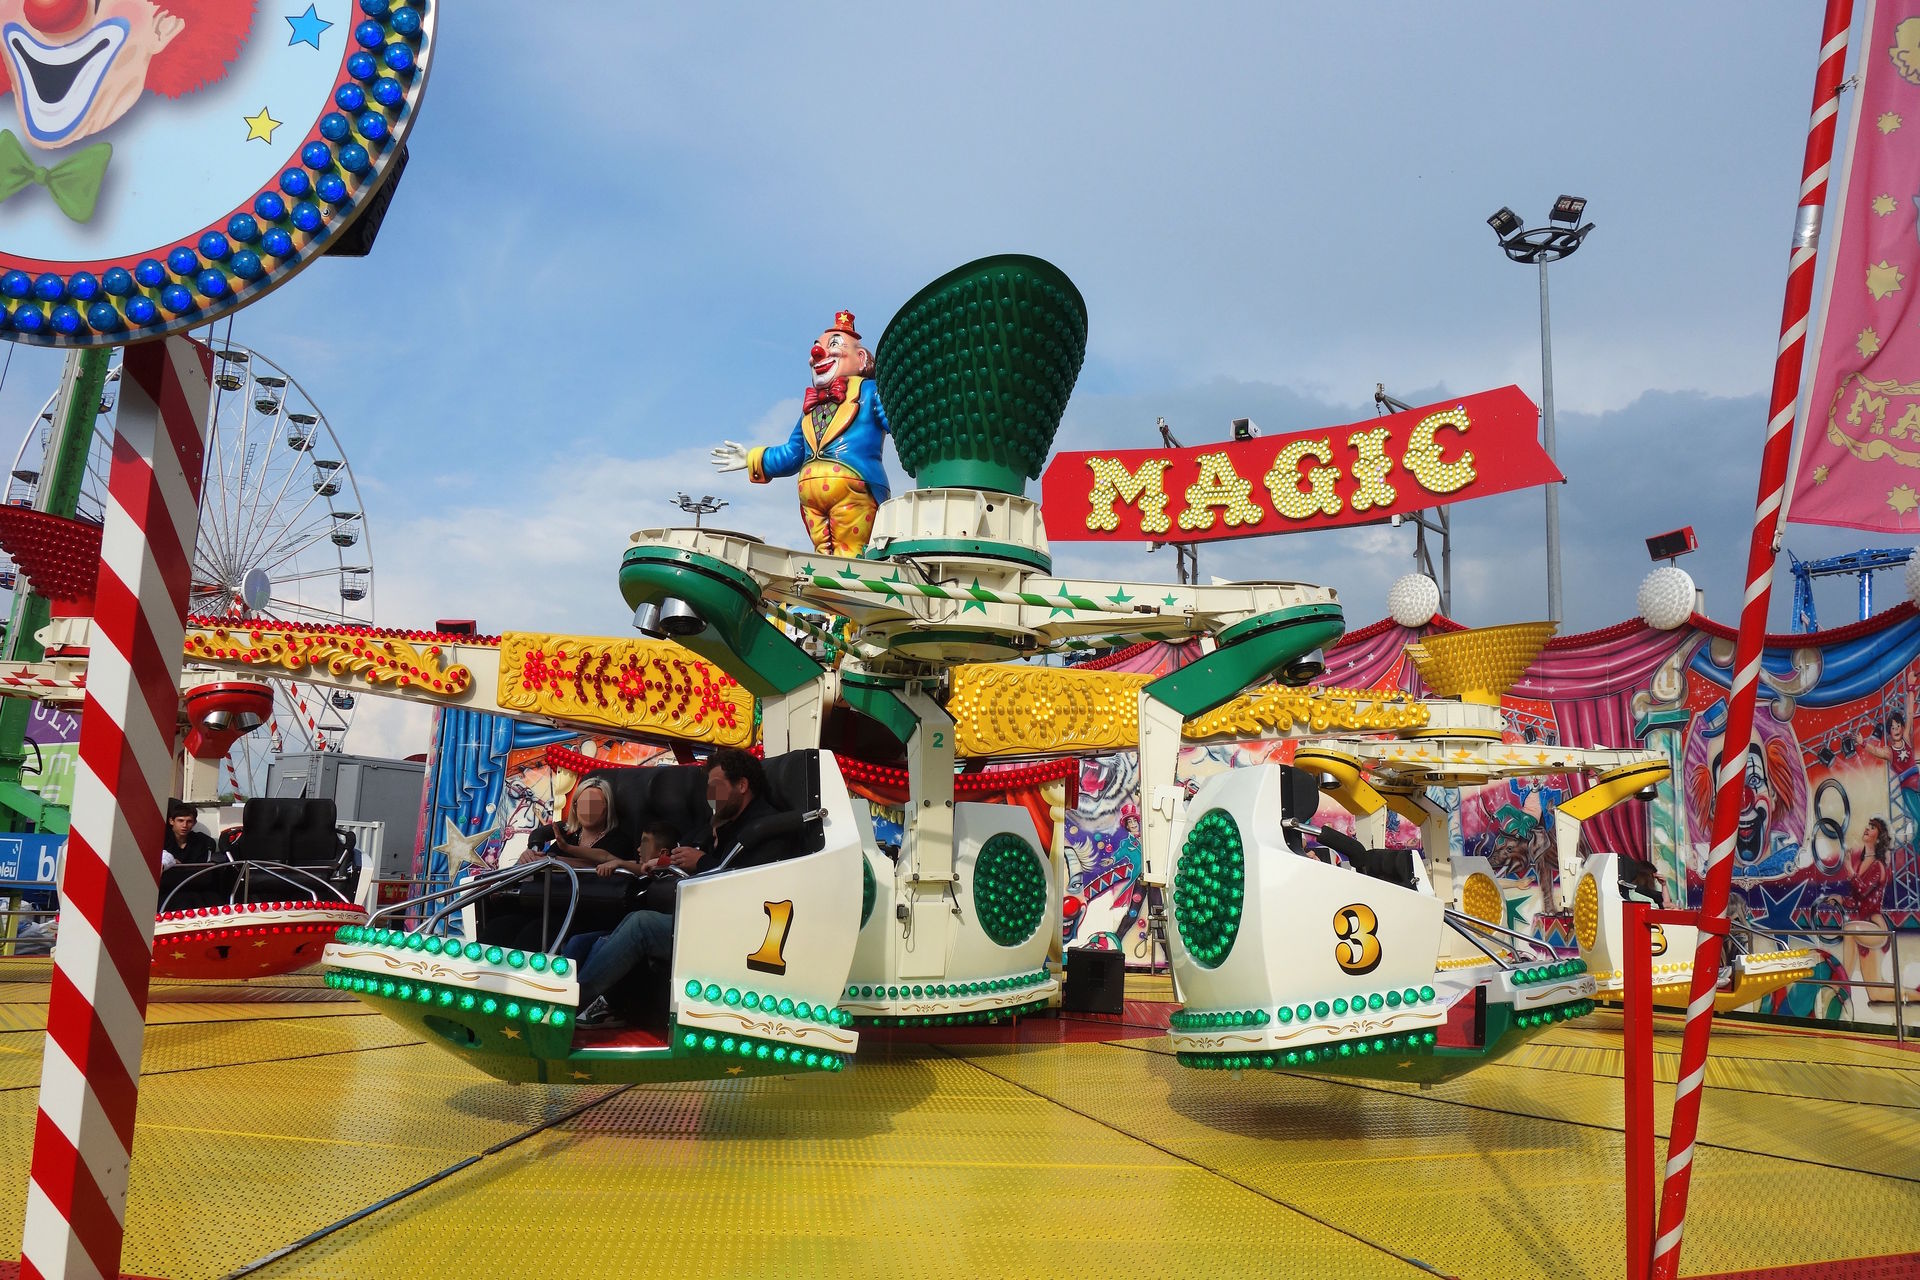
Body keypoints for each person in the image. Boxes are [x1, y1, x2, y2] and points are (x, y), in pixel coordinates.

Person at [574, 749, 793, 1025]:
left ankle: (573, 1002)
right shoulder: (721, 823)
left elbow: (750, 883)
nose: (711, 795)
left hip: (739, 930)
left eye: (717, 787)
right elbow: (684, 850)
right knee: (617, 925)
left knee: (642, 925)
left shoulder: (764, 828)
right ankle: (598, 999)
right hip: (705, 918)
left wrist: (701, 862)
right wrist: (662, 862)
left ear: (742, 785)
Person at [161, 800, 216, 869]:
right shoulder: (161, 840)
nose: (184, 825)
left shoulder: (203, 841)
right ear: (171, 821)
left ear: (194, 823)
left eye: (189, 821)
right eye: (180, 821)